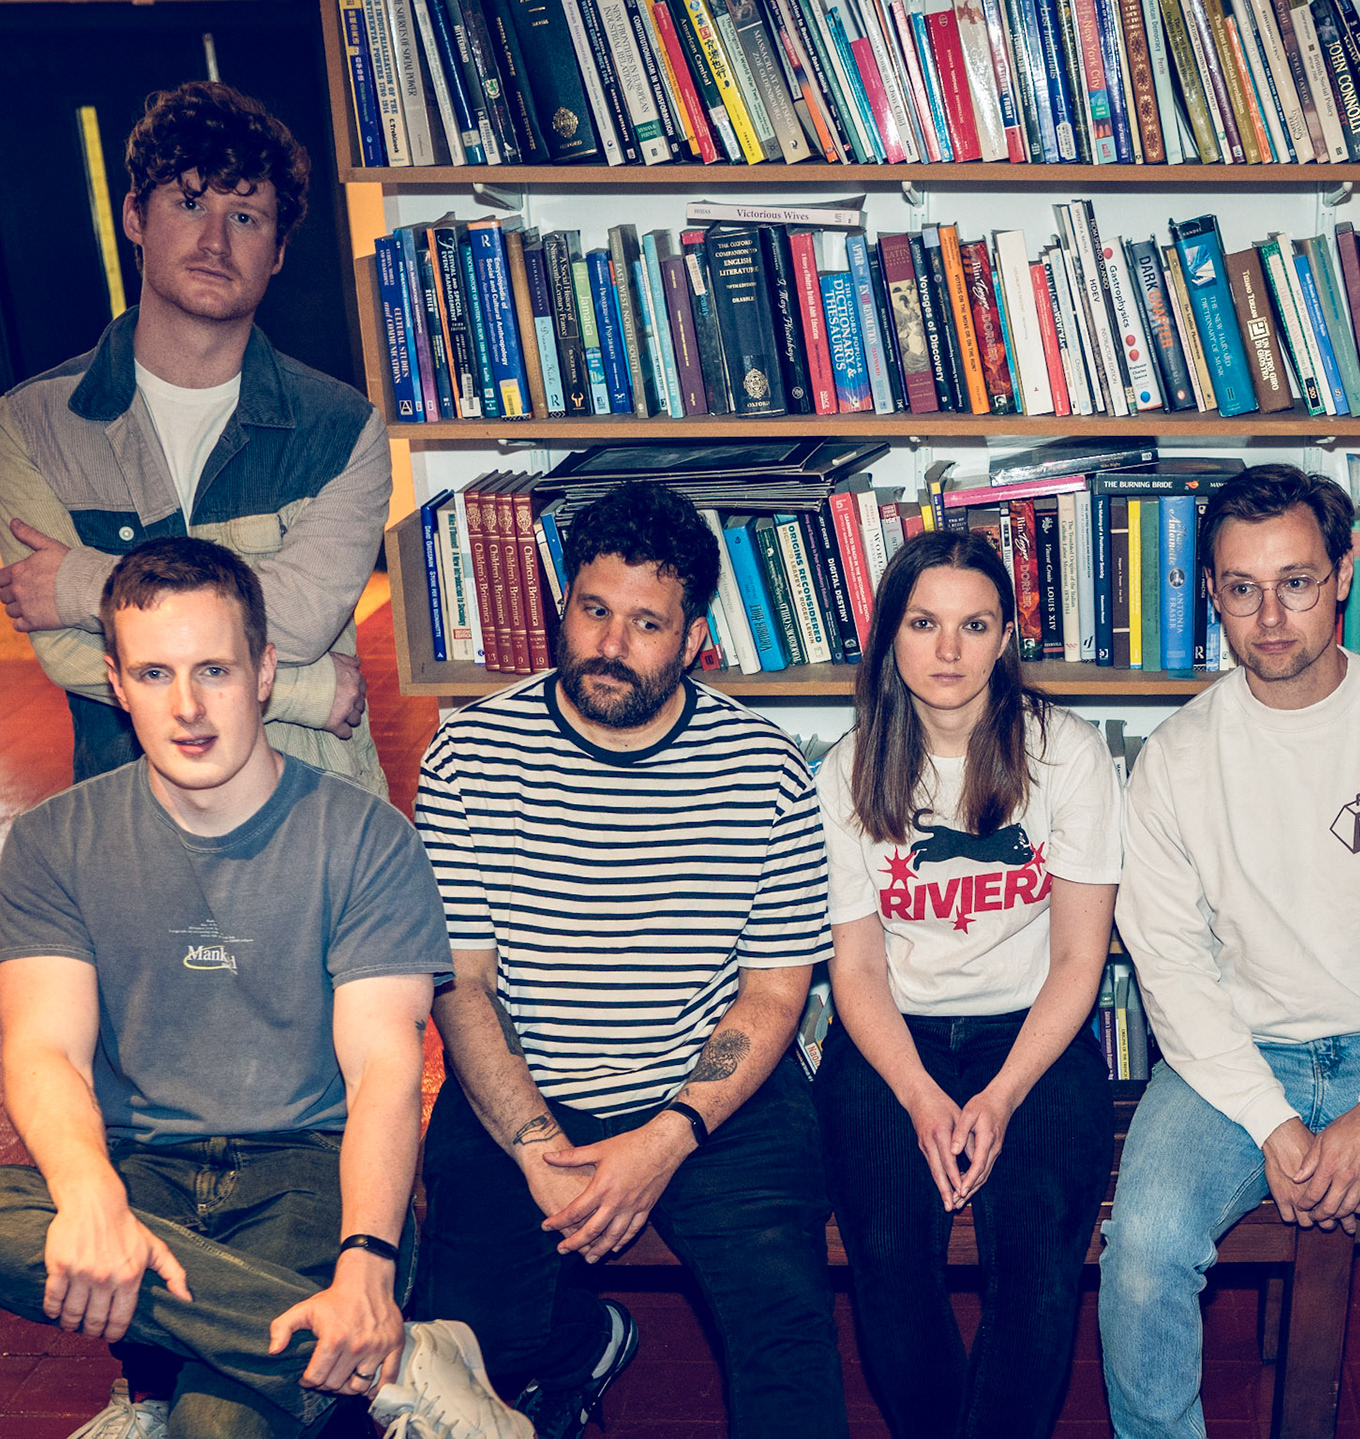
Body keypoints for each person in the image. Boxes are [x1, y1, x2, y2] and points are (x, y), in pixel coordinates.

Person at [0, 536, 528, 1439]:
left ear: (266, 674)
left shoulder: (367, 838)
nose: (189, 706)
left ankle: (169, 1389)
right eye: (155, 673)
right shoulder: (56, 840)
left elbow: (383, 1070)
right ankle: (395, 1363)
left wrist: (367, 1259)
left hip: (306, 1171)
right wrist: (90, 1194)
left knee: (217, 1428)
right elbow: (43, 1046)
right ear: (117, 685)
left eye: (214, 669)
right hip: (140, 1165)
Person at [412, 482, 847, 1439]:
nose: (610, 644)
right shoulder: (468, 754)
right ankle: (582, 1344)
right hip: (525, 1086)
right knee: (468, 1344)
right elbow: (461, 985)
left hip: (710, 1092)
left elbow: (776, 993)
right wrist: (536, 1147)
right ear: (562, 604)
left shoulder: (764, 766)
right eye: (593, 609)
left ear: (694, 640)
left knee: (788, 1342)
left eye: (647, 623)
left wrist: (666, 1138)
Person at [1099, 465, 1360, 1439]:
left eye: (1295, 581)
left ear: (1342, 575)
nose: (1270, 615)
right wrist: (1271, 1119)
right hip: (1230, 1059)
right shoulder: (1176, 760)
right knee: (1144, 1250)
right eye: (1242, 588)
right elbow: (1170, 965)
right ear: (1212, 594)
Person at [811, 530, 1121, 1439]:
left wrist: (1000, 1094)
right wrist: (919, 1095)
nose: (948, 650)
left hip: (1032, 1034)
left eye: (974, 625)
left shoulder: (1067, 755)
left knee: (1037, 1256)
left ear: (1004, 638)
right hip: (892, 1038)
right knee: (886, 1254)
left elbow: (1080, 959)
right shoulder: (846, 769)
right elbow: (856, 967)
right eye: (924, 623)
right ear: (890, 636)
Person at [0, 81, 387, 793]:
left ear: (277, 251)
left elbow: (300, 620)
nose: (215, 241)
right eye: (188, 204)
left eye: (244, 216)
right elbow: (64, 650)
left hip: (313, 809)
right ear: (134, 217)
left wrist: (81, 582)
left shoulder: (342, 428)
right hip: (130, 816)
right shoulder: (29, 424)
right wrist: (308, 691)